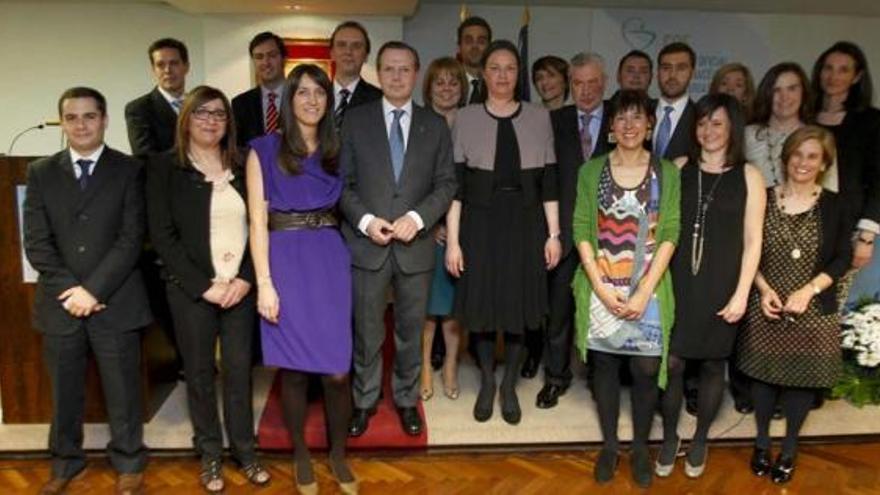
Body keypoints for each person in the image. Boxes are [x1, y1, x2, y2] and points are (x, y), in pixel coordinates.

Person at [24, 87, 151, 495]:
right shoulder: (40, 172)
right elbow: (37, 243)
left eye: (89, 116)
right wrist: (72, 291)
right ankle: (65, 463)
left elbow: (132, 239)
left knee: (123, 391)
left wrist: (93, 291)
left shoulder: (129, 169)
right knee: (63, 392)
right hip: (60, 304)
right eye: (72, 117)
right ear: (62, 122)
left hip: (116, 300)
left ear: (105, 119)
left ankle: (129, 462)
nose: (81, 124)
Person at [146, 86, 270, 493]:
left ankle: (245, 450)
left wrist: (247, 278)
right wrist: (204, 286)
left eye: (219, 114)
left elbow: (259, 226)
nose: (211, 120)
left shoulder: (242, 161)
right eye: (201, 113)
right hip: (191, 290)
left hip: (239, 287)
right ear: (186, 119)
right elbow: (162, 236)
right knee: (199, 373)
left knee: (238, 371)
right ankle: (210, 452)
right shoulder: (166, 167)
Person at [247, 64, 357, 495]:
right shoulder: (263, 148)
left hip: (329, 257)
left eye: (320, 93)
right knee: (292, 371)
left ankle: (338, 454)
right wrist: (265, 282)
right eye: (303, 93)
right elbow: (257, 221)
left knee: (336, 373)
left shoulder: (337, 148)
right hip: (284, 260)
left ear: (328, 101)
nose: (312, 100)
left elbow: (356, 200)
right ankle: (300, 454)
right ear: (289, 100)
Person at [340, 41, 457, 438]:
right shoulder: (354, 121)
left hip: (415, 248)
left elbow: (446, 184)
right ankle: (364, 400)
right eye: (388, 69)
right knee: (367, 331)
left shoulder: (435, 125)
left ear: (416, 72)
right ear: (378, 72)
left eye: (404, 69)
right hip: (367, 245)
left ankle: (407, 400)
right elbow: (343, 184)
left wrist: (418, 217)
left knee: (410, 331)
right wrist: (367, 220)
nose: (396, 76)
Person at [446, 40, 561, 425]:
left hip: (526, 224)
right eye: (494, 67)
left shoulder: (539, 117)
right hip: (479, 223)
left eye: (510, 68)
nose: (502, 75)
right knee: (480, 309)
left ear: (518, 74)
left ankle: (509, 384)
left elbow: (549, 184)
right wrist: (454, 241)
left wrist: (554, 234)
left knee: (516, 308)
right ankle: (487, 383)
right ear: (483, 73)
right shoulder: (465, 117)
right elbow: (456, 187)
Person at [571, 89, 680, 488]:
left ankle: (638, 448)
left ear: (650, 125)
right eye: (621, 118)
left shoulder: (667, 172)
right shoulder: (591, 170)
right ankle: (610, 446)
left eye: (638, 118)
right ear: (612, 127)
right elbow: (581, 226)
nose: (630, 125)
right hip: (602, 287)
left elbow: (670, 231)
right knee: (604, 366)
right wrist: (599, 287)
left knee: (646, 369)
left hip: (648, 289)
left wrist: (643, 291)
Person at [656, 94, 766, 479]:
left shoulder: (750, 176)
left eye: (717, 123)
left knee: (712, 365)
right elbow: (659, 228)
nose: (708, 131)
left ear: (732, 127)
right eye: (702, 123)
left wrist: (741, 293)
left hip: (724, 283)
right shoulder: (679, 167)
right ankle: (670, 435)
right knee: (672, 362)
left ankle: (701, 437)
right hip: (678, 281)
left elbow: (754, 241)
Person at [737, 126, 852, 484]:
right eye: (797, 154)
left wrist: (810, 290)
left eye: (812, 156)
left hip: (813, 308)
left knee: (802, 382)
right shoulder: (764, 196)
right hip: (767, 301)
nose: (803, 162)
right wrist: (763, 288)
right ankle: (760, 442)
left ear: (823, 164)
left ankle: (788, 448)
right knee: (763, 378)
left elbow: (842, 257)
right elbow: (747, 248)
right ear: (786, 158)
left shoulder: (835, 204)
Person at [537, 52, 613, 410]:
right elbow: (546, 179)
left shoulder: (623, 118)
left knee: (603, 313)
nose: (585, 90)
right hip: (564, 237)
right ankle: (556, 377)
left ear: (605, 82)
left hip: (612, 240)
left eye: (592, 82)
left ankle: (601, 378)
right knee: (558, 313)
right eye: (578, 83)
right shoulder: (553, 120)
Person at [419, 56, 467, 402]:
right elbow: (413, 181)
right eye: (440, 82)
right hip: (426, 229)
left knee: (453, 307)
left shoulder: (473, 122)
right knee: (426, 306)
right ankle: (424, 365)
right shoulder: (419, 124)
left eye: (454, 82)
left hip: (466, 230)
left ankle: (450, 364)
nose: (447, 88)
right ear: (429, 88)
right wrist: (433, 221)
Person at [812, 41, 880, 274]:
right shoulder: (804, 116)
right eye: (828, 68)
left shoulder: (871, 121)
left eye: (844, 70)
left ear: (857, 76)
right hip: (801, 225)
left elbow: (877, 182)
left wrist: (867, 236)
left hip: (847, 230)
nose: (833, 76)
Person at [126, 38, 190, 158]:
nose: (167, 70)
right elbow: (146, 158)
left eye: (174, 63)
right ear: (153, 70)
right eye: (160, 65)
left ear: (186, 66)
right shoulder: (139, 109)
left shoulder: (200, 105)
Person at [232, 31, 287, 147]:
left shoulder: (299, 98)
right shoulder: (240, 104)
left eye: (272, 55)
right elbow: (237, 149)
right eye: (259, 57)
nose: (266, 62)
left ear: (283, 58)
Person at [330, 21, 383, 128]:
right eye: (341, 45)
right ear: (332, 54)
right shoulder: (318, 95)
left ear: (366, 56)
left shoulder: (380, 100)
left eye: (356, 46)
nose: (348, 51)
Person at [653, 42, 697, 160]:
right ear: (657, 72)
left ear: (692, 73)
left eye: (681, 68)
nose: (672, 75)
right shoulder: (642, 110)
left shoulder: (700, 117)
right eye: (666, 68)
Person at [457, 16, 492, 104]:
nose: (475, 47)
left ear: (490, 47)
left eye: (481, 42)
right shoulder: (448, 85)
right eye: (468, 41)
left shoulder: (499, 84)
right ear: (459, 47)